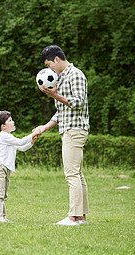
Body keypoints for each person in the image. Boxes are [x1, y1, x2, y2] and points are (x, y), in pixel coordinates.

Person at [35, 45, 90, 226]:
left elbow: (78, 103)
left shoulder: (75, 75)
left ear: (57, 59)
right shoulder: (62, 77)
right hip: (68, 128)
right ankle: (81, 217)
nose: (49, 69)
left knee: (71, 174)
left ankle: (73, 217)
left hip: (75, 130)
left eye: (49, 65)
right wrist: (44, 127)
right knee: (78, 174)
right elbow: (62, 112)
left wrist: (54, 95)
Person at [0, 111, 40, 223]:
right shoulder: (4, 136)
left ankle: (2, 216)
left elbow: (21, 147)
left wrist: (31, 141)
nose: (13, 122)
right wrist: (33, 133)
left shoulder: (9, 137)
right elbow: (21, 142)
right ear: (3, 126)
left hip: (5, 168)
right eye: (10, 121)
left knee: (4, 193)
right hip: (0, 167)